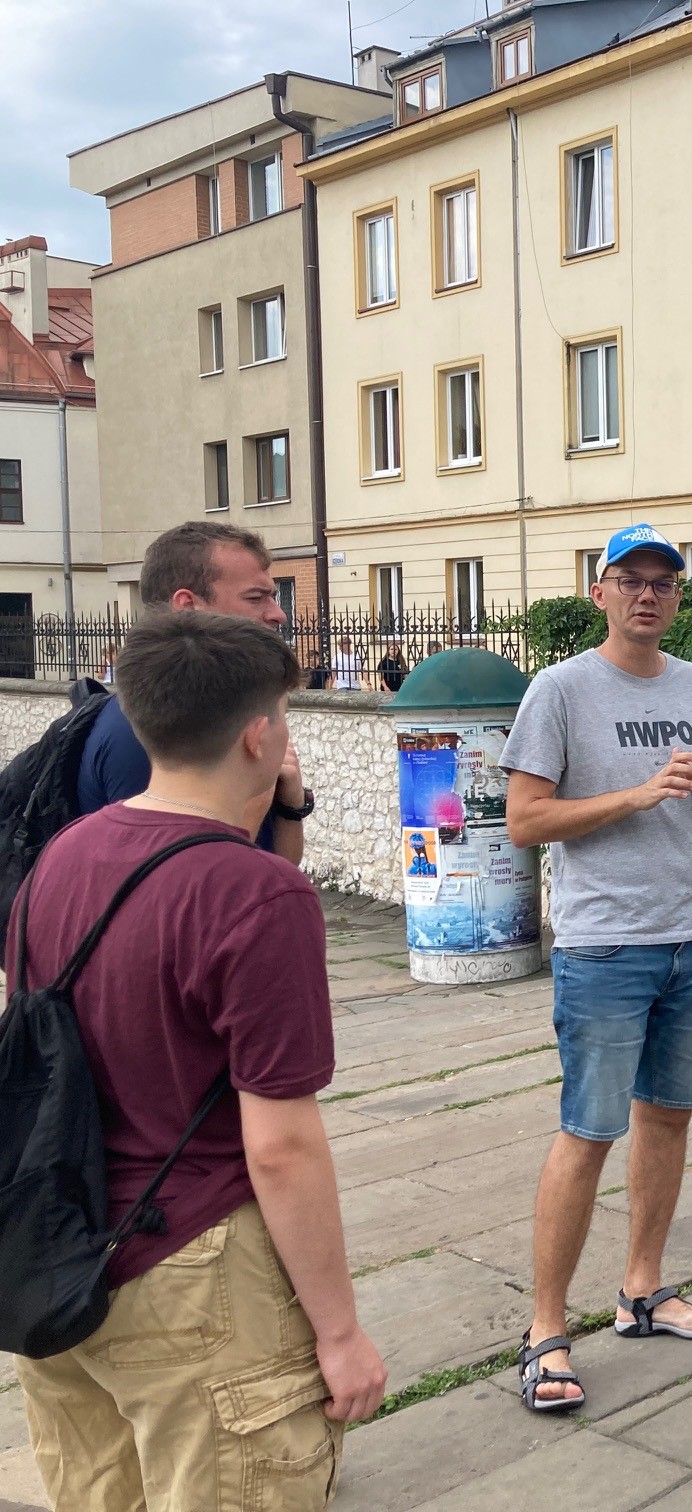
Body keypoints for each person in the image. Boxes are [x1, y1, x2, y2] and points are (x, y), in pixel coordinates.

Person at [12, 611, 386, 1509]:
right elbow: (281, 1145)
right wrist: (339, 1335)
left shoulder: (64, 853)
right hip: (192, 1275)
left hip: (60, 1261)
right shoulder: (257, 896)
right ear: (260, 735)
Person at [501, 524, 692, 1413]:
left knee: (670, 1120)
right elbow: (525, 820)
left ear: (680, 597)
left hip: (691, 935)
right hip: (604, 945)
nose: (648, 594)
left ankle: (642, 1292)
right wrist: (640, 793)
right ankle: (544, 1329)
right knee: (588, 1130)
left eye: (664, 582)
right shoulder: (561, 688)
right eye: (630, 579)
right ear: (599, 590)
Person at [77, 522, 313, 864]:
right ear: (187, 605)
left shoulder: (226, 713)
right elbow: (178, 890)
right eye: (255, 598)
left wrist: (290, 807)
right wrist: (258, 801)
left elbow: (279, 868)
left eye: (274, 596)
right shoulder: (147, 730)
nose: (278, 614)